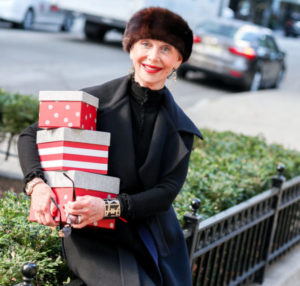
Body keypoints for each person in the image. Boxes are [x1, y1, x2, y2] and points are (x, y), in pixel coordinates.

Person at [18, 7, 203, 286]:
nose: (153, 57)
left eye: (166, 49)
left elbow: (165, 194)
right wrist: (37, 185)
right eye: (146, 44)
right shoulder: (94, 100)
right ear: (130, 48)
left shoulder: (182, 128)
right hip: (93, 234)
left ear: (178, 60)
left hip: (151, 233)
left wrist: (107, 207)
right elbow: (31, 135)